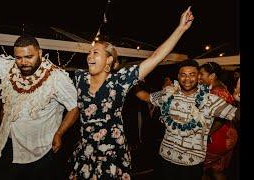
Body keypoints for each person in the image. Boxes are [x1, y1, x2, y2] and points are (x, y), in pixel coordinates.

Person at [68, 6, 194, 179]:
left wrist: (180, 28)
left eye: (95, 52)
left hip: (111, 153)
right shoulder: (80, 78)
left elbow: (156, 57)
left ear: (109, 60)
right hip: (85, 152)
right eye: (89, 52)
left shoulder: (119, 81)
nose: (90, 56)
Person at [0, 33, 79, 180]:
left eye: (29, 57)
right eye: (19, 58)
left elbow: (74, 108)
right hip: (6, 146)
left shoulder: (57, 78)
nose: (23, 62)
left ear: (40, 53)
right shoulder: (9, 68)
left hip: (39, 151)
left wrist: (59, 133)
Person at [135, 59, 240, 180]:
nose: (187, 79)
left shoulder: (210, 100)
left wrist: (239, 100)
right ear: (178, 76)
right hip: (165, 158)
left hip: (191, 163)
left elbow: (236, 115)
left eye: (192, 74)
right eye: (183, 75)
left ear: (198, 76)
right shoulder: (168, 94)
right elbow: (146, 97)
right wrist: (133, 83)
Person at [199, 62, 238, 180]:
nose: (199, 77)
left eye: (201, 74)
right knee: (216, 170)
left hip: (219, 136)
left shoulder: (217, 92)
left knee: (200, 169)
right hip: (226, 135)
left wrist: (206, 134)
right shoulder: (220, 87)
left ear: (212, 76)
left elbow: (221, 119)